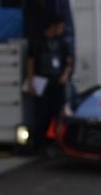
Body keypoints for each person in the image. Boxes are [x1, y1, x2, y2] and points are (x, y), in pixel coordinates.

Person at [26, 14, 73, 152]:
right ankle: (40, 142)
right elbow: (31, 62)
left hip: (57, 82)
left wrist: (65, 75)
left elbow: (68, 62)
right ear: (53, 26)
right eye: (60, 27)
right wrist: (31, 81)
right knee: (42, 113)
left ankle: (55, 140)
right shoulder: (38, 41)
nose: (62, 30)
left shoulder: (62, 42)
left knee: (57, 112)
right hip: (42, 81)